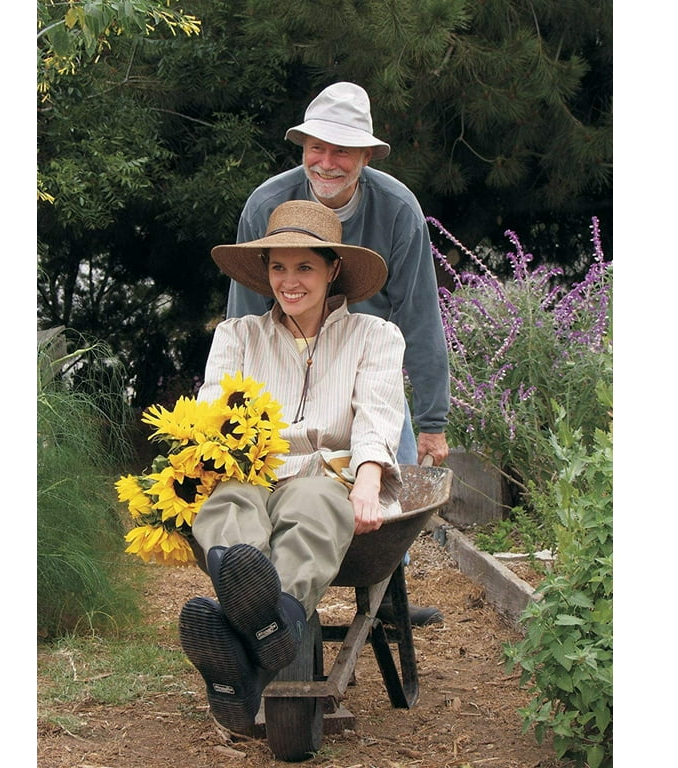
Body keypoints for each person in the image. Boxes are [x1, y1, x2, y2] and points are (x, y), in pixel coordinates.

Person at [179, 199, 407, 734]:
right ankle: (269, 627)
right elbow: (216, 410)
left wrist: (369, 481)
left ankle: (252, 645)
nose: (290, 281)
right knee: (228, 502)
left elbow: (378, 415)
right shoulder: (238, 336)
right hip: (253, 471)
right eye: (278, 267)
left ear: (332, 270)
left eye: (304, 266)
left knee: (312, 502)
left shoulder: (374, 337)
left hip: (327, 474)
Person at [227, 81, 450, 626]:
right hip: (285, 369)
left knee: (382, 478)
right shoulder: (267, 205)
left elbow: (419, 312)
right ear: (302, 147)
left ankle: (380, 590)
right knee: (277, 482)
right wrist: (233, 417)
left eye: (343, 150)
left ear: (367, 155)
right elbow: (244, 320)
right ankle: (265, 590)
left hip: (367, 364)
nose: (327, 163)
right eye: (316, 148)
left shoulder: (396, 210)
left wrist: (431, 419)